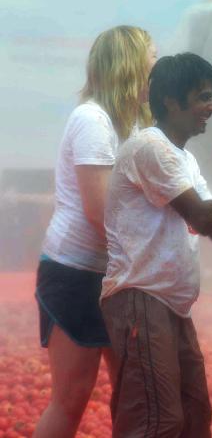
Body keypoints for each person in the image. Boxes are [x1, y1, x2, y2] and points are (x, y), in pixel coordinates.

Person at [34, 25, 155, 438]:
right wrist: (150, 261)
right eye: (151, 59)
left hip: (114, 274)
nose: (157, 68)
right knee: (71, 398)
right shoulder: (93, 120)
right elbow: (98, 213)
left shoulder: (135, 124)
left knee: (134, 392)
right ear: (130, 66)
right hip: (75, 273)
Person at [100, 53, 212, 437]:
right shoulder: (150, 147)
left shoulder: (183, 159)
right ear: (172, 101)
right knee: (156, 422)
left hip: (170, 305)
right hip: (141, 299)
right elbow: (204, 217)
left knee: (193, 418)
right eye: (204, 97)